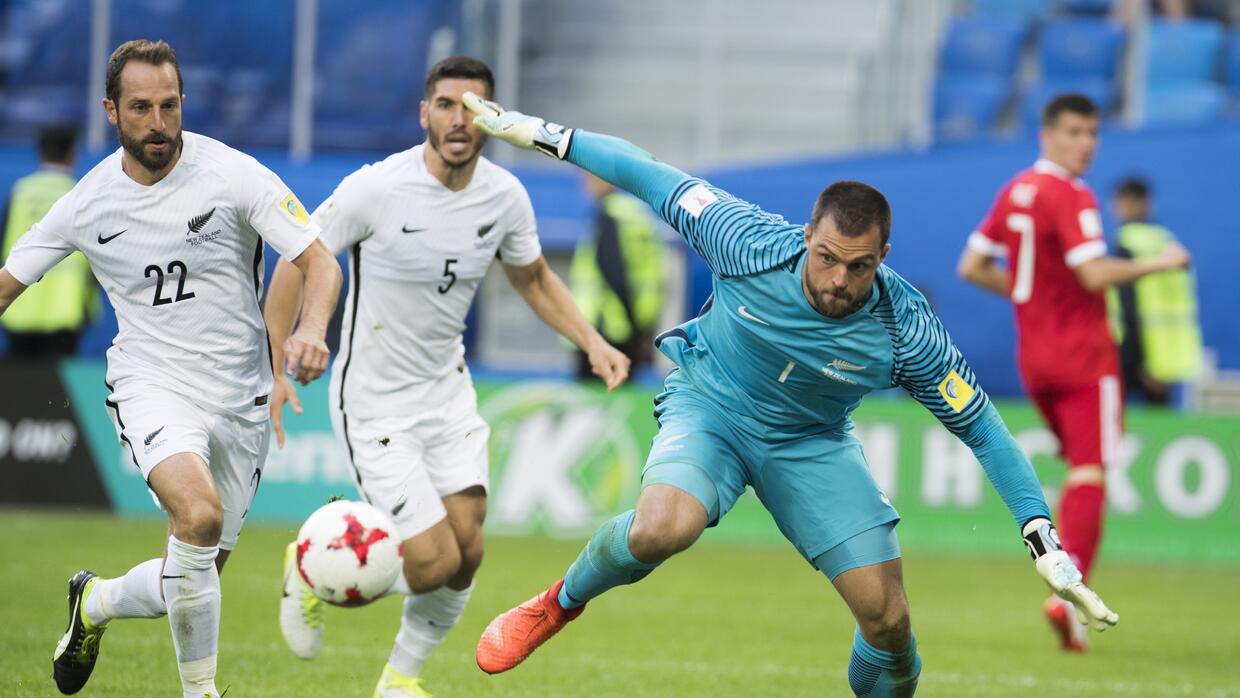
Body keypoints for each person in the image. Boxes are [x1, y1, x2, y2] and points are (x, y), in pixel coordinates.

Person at [457, 94, 1119, 696]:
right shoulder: (745, 240)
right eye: (826, 257)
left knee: (888, 622)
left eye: (859, 267)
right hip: (711, 405)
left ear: (883, 255)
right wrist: (544, 134)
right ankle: (559, 603)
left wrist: (1041, 535)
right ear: (807, 236)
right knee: (664, 526)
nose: (837, 280)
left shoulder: (905, 328)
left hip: (809, 442)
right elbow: (645, 172)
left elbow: (982, 429)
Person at [266, 56, 630, 698]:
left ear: (495, 118)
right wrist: (293, 344)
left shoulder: (505, 197)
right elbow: (299, 256)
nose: (459, 119)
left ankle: (399, 681)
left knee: (467, 550)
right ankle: (312, 563)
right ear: (424, 113)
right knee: (432, 560)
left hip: (448, 392)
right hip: (374, 399)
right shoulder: (375, 189)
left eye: (474, 107)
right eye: (445, 104)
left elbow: (534, 279)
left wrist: (593, 341)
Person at [0, 39, 342, 697]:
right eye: (141, 108)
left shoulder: (233, 175)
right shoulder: (86, 203)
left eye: (169, 105)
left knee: (191, 573)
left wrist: (311, 329)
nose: (158, 124)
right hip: (151, 382)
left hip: (239, 399)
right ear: (111, 110)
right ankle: (201, 692)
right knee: (199, 516)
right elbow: (8, 285)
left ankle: (95, 601)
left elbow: (319, 262)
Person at [957, 94, 1188, 652]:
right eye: (1076, 132)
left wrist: (1028, 296)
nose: (1087, 144)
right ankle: (1065, 594)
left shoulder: (1015, 190)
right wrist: (1161, 262)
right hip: (1085, 357)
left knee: (1077, 471)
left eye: (1092, 133)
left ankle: (1064, 587)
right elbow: (1092, 273)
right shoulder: (1073, 194)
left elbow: (971, 265)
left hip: (1034, 358)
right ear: (1048, 133)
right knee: (1091, 473)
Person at [1, 123, 98, 357]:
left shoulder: (20, 192)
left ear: (40, 150)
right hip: (65, 307)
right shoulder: (79, 195)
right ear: (72, 152)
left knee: (20, 390)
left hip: (17, 305)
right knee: (56, 392)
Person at [1109, 176, 1202, 406]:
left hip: (1134, 354)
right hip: (1166, 356)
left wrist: (1138, 361)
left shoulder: (1126, 241)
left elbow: (1128, 304)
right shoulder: (1168, 242)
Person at [570, 172, 665, 379]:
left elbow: (613, 271)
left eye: (590, 177)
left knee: (596, 404)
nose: (585, 184)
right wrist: (642, 328)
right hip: (634, 326)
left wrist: (632, 323)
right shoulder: (636, 213)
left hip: (603, 327)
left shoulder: (608, 214)